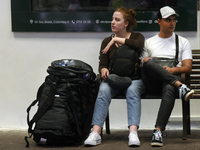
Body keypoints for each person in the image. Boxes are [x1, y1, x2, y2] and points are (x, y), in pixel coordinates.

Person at [84, 7, 145, 147]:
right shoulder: (106, 41)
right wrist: (104, 69)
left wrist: (117, 40)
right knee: (103, 91)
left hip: (134, 80)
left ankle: (133, 133)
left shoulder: (137, 37)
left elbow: (139, 46)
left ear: (126, 24)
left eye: (117, 20)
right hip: (113, 79)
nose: (112, 22)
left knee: (132, 91)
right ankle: (96, 132)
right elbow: (102, 62)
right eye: (112, 19)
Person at [140, 6, 194, 147]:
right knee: (146, 61)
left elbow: (188, 67)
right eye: (167, 20)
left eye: (174, 20)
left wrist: (172, 70)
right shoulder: (149, 42)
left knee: (170, 86)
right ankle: (181, 87)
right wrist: (159, 70)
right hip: (151, 83)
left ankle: (158, 131)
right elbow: (144, 66)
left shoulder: (182, 42)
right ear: (159, 21)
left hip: (168, 83)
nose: (172, 23)